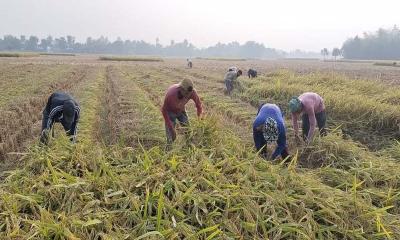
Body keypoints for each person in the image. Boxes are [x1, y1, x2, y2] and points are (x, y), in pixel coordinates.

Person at [161, 78, 202, 144]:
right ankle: (169, 150)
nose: (188, 95)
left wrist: (199, 119)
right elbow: (164, 110)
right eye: (186, 93)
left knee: (188, 131)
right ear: (181, 89)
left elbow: (199, 105)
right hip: (170, 112)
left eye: (189, 93)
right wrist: (171, 129)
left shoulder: (192, 92)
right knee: (171, 138)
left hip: (181, 111)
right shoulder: (171, 95)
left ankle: (189, 146)